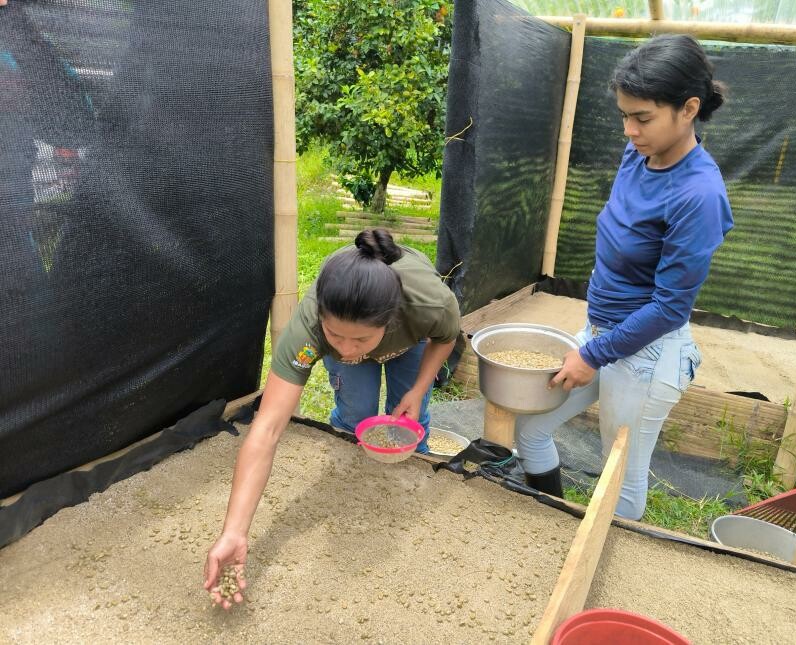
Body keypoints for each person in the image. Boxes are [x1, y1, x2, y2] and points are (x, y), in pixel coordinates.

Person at [515, 34, 733, 521]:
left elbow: (671, 306)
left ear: (688, 109)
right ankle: (549, 524)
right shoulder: (638, 153)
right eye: (624, 115)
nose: (629, 130)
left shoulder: (698, 196)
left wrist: (593, 355)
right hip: (601, 333)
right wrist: (594, 340)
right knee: (531, 431)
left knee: (621, 478)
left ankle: (607, 569)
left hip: (647, 352)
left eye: (642, 117)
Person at [204, 228, 461, 608]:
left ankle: (402, 497)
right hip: (358, 323)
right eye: (334, 336)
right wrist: (234, 532)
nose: (345, 349)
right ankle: (351, 485)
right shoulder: (310, 329)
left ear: (389, 322)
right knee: (355, 416)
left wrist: (420, 388)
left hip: (409, 344)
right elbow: (268, 428)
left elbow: (446, 337)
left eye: (359, 340)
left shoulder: (428, 305)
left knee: (411, 419)